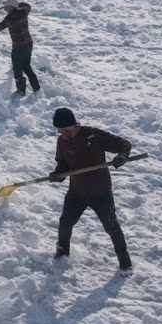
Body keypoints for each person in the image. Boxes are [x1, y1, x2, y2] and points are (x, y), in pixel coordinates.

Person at [48, 107, 134, 274]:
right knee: (65, 222)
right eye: (60, 130)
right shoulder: (62, 142)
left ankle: (125, 262)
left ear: (74, 125)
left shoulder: (93, 135)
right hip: (77, 192)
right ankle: (62, 254)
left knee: (111, 226)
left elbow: (124, 144)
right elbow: (63, 164)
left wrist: (122, 156)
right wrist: (58, 174)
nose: (63, 133)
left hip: (100, 191)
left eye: (66, 129)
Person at [0, 0, 40, 95]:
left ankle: (21, 90)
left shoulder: (9, 18)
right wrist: (18, 5)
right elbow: (27, 6)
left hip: (18, 47)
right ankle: (36, 86)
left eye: (6, 6)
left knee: (17, 69)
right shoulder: (24, 12)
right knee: (26, 66)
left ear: (10, 7)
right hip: (28, 43)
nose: (4, 8)